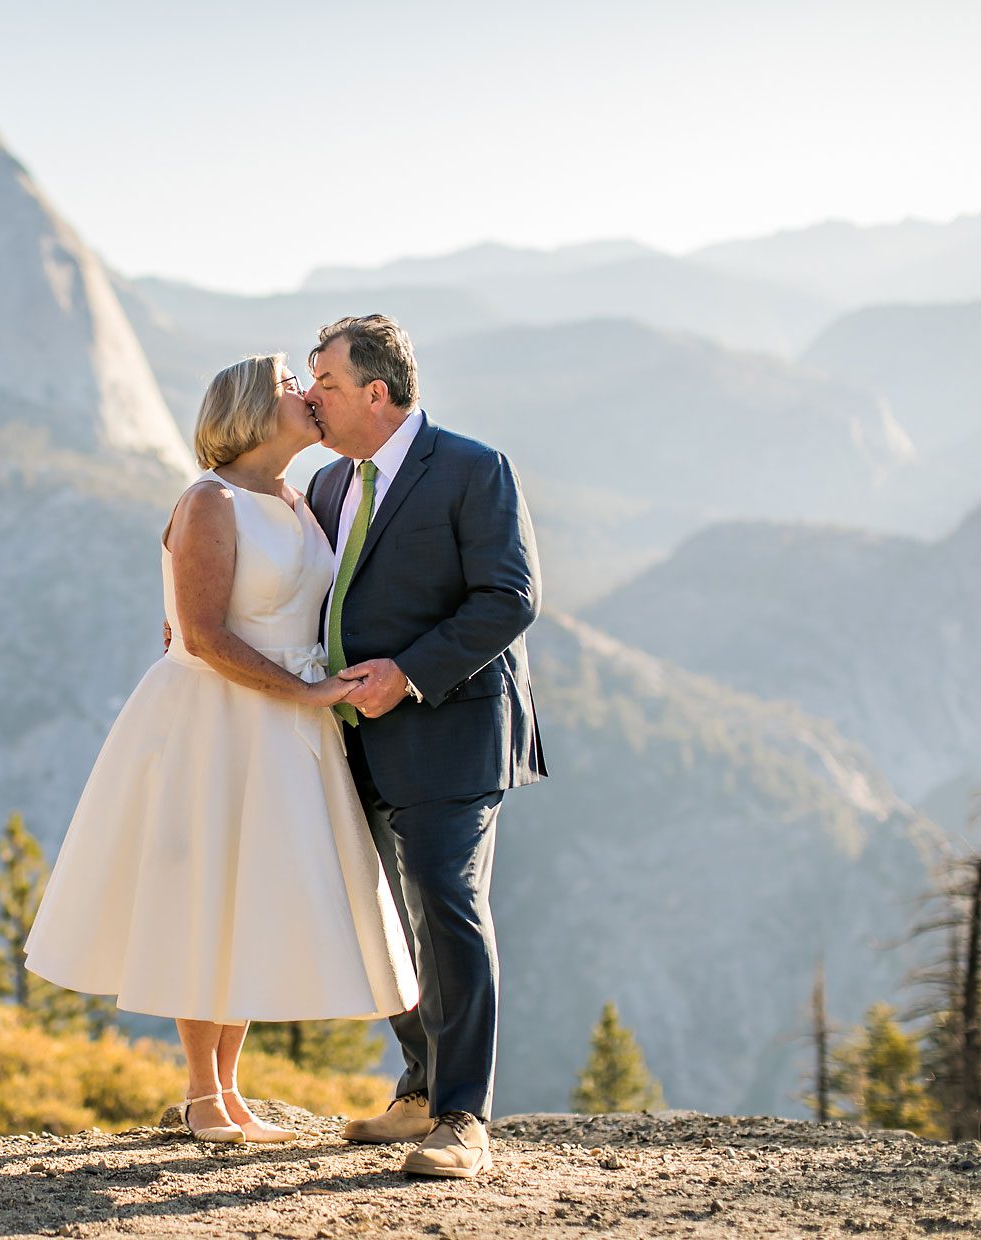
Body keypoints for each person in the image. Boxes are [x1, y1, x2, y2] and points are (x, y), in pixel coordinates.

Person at [24, 354, 420, 1145]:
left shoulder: (298, 500)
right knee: (201, 893)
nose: (308, 397)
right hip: (214, 722)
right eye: (288, 387)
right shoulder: (210, 501)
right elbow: (202, 635)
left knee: (246, 896)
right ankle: (204, 1094)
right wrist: (308, 693)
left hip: (280, 725)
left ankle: (230, 1091)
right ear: (248, 409)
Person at [306, 314, 548, 1179]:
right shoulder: (331, 485)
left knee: (446, 904)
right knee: (382, 917)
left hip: (452, 727)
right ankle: (417, 1089)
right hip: (353, 738)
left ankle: (463, 1120)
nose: (309, 397)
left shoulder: (474, 469)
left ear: (377, 392)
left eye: (325, 384)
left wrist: (406, 674)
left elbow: (509, 597)